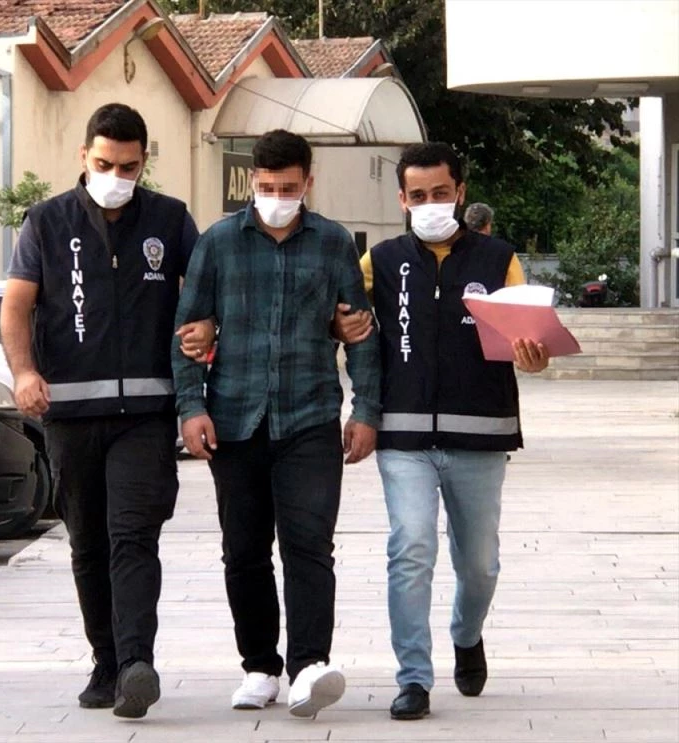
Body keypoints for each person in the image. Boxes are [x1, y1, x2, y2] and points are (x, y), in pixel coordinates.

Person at [0, 103, 212, 719]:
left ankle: (137, 663)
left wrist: (205, 328)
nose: (115, 176)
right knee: (88, 544)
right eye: (104, 164)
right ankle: (107, 662)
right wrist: (24, 373)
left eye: (128, 166)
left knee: (134, 536)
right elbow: (15, 307)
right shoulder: (46, 222)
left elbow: (203, 297)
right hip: (70, 415)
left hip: (146, 414)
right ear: (83, 157)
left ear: (144, 162)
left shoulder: (169, 220)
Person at [334, 142, 549, 721]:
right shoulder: (380, 261)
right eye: (418, 195)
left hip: (480, 433)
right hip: (402, 436)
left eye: (441, 193)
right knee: (411, 547)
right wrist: (340, 324)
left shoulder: (498, 259)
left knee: (479, 563)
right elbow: (345, 319)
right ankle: (413, 678)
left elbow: (528, 336)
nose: (430, 203)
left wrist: (533, 356)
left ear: (460, 192)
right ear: (402, 199)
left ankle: (466, 633)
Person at [171, 129, 381, 718]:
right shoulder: (218, 243)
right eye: (267, 187)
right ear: (253, 184)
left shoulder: (334, 243)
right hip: (235, 418)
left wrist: (366, 410)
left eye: (289, 188)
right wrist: (190, 407)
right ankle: (259, 666)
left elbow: (360, 330)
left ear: (308, 182)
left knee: (309, 545)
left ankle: (310, 665)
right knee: (243, 551)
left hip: (310, 416)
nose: (278, 198)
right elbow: (187, 332)